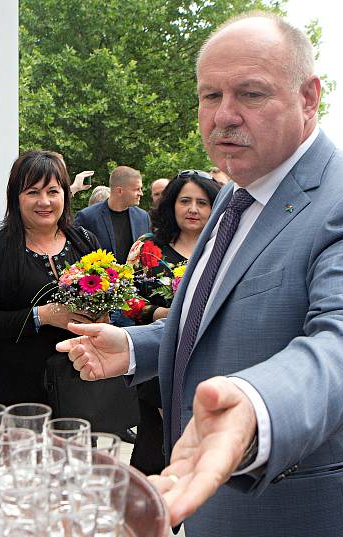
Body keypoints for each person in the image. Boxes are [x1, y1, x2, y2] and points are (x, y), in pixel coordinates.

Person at [57, 11, 343, 536]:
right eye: (209, 96)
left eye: (250, 94)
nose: (223, 115)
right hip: (208, 505)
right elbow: (224, 316)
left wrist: (256, 404)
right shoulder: (234, 192)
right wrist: (137, 346)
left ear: (309, 97)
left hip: (299, 511)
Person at [0, 151, 105, 405]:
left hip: (81, 386)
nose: (45, 201)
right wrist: (45, 315)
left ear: (65, 194)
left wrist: (104, 316)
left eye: (53, 191)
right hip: (19, 390)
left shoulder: (85, 242)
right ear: (16, 198)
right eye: (33, 192)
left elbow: (107, 298)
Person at [126, 170, 220, 476]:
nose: (193, 209)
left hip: (209, 363)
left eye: (202, 202)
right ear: (172, 205)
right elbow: (126, 298)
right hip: (156, 364)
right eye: (185, 201)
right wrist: (159, 315)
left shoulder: (222, 250)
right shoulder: (147, 246)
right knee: (152, 453)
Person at [74, 165, 150, 263]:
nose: (141, 193)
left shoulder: (143, 217)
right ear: (119, 191)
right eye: (136, 189)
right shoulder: (87, 217)